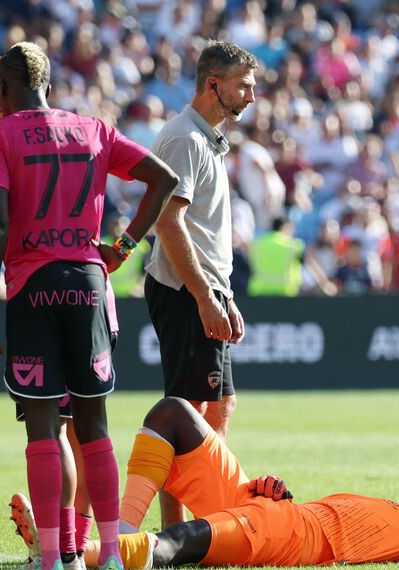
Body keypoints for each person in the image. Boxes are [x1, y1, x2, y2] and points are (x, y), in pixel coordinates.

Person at [0, 42, 178, 570]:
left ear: (3, 90)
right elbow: (164, 180)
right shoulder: (92, 128)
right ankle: (109, 559)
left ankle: (50, 565)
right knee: (94, 425)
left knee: (43, 426)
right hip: (88, 281)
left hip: (33, 283)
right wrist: (125, 245)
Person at [80, 397, 399, 570]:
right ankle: (119, 530)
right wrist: (272, 490)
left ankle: (80, 555)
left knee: (179, 542)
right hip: (268, 509)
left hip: (284, 537)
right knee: (173, 413)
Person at [0, 56, 93, 570]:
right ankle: (71, 552)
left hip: (43, 294)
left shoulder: (15, 143)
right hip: (79, 288)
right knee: (70, 429)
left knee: (64, 431)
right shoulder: (8, 144)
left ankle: (66, 554)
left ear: (5, 94)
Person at [144, 39, 256, 528]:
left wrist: (222, 294)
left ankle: (202, 520)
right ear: (215, 84)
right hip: (185, 291)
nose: (251, 96)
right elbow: (169, 224)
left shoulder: (207, 137)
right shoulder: (184, 140)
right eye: (244, 86)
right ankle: (175, 532)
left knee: (219, 405)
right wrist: (206, 296)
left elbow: (201, 232)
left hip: (205, 289)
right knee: (186, 411)